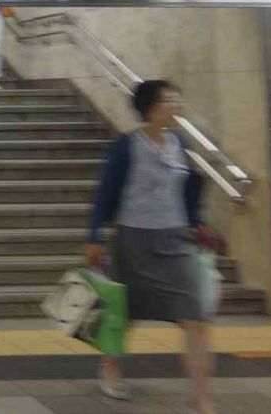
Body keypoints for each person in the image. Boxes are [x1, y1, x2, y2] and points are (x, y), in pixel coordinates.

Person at [85, 80, 216, 413]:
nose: (176, 106)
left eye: (176, 99)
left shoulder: (180, 143)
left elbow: (188, 189)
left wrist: (198, 220)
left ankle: (200, 396)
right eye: (169, 100)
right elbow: (106, 192)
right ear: (152, 108)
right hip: (134, 240)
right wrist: (94, 235)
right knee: (127, 313)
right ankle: (110, 367)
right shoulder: (127, 146)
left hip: (175, 240)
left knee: (196, 315)